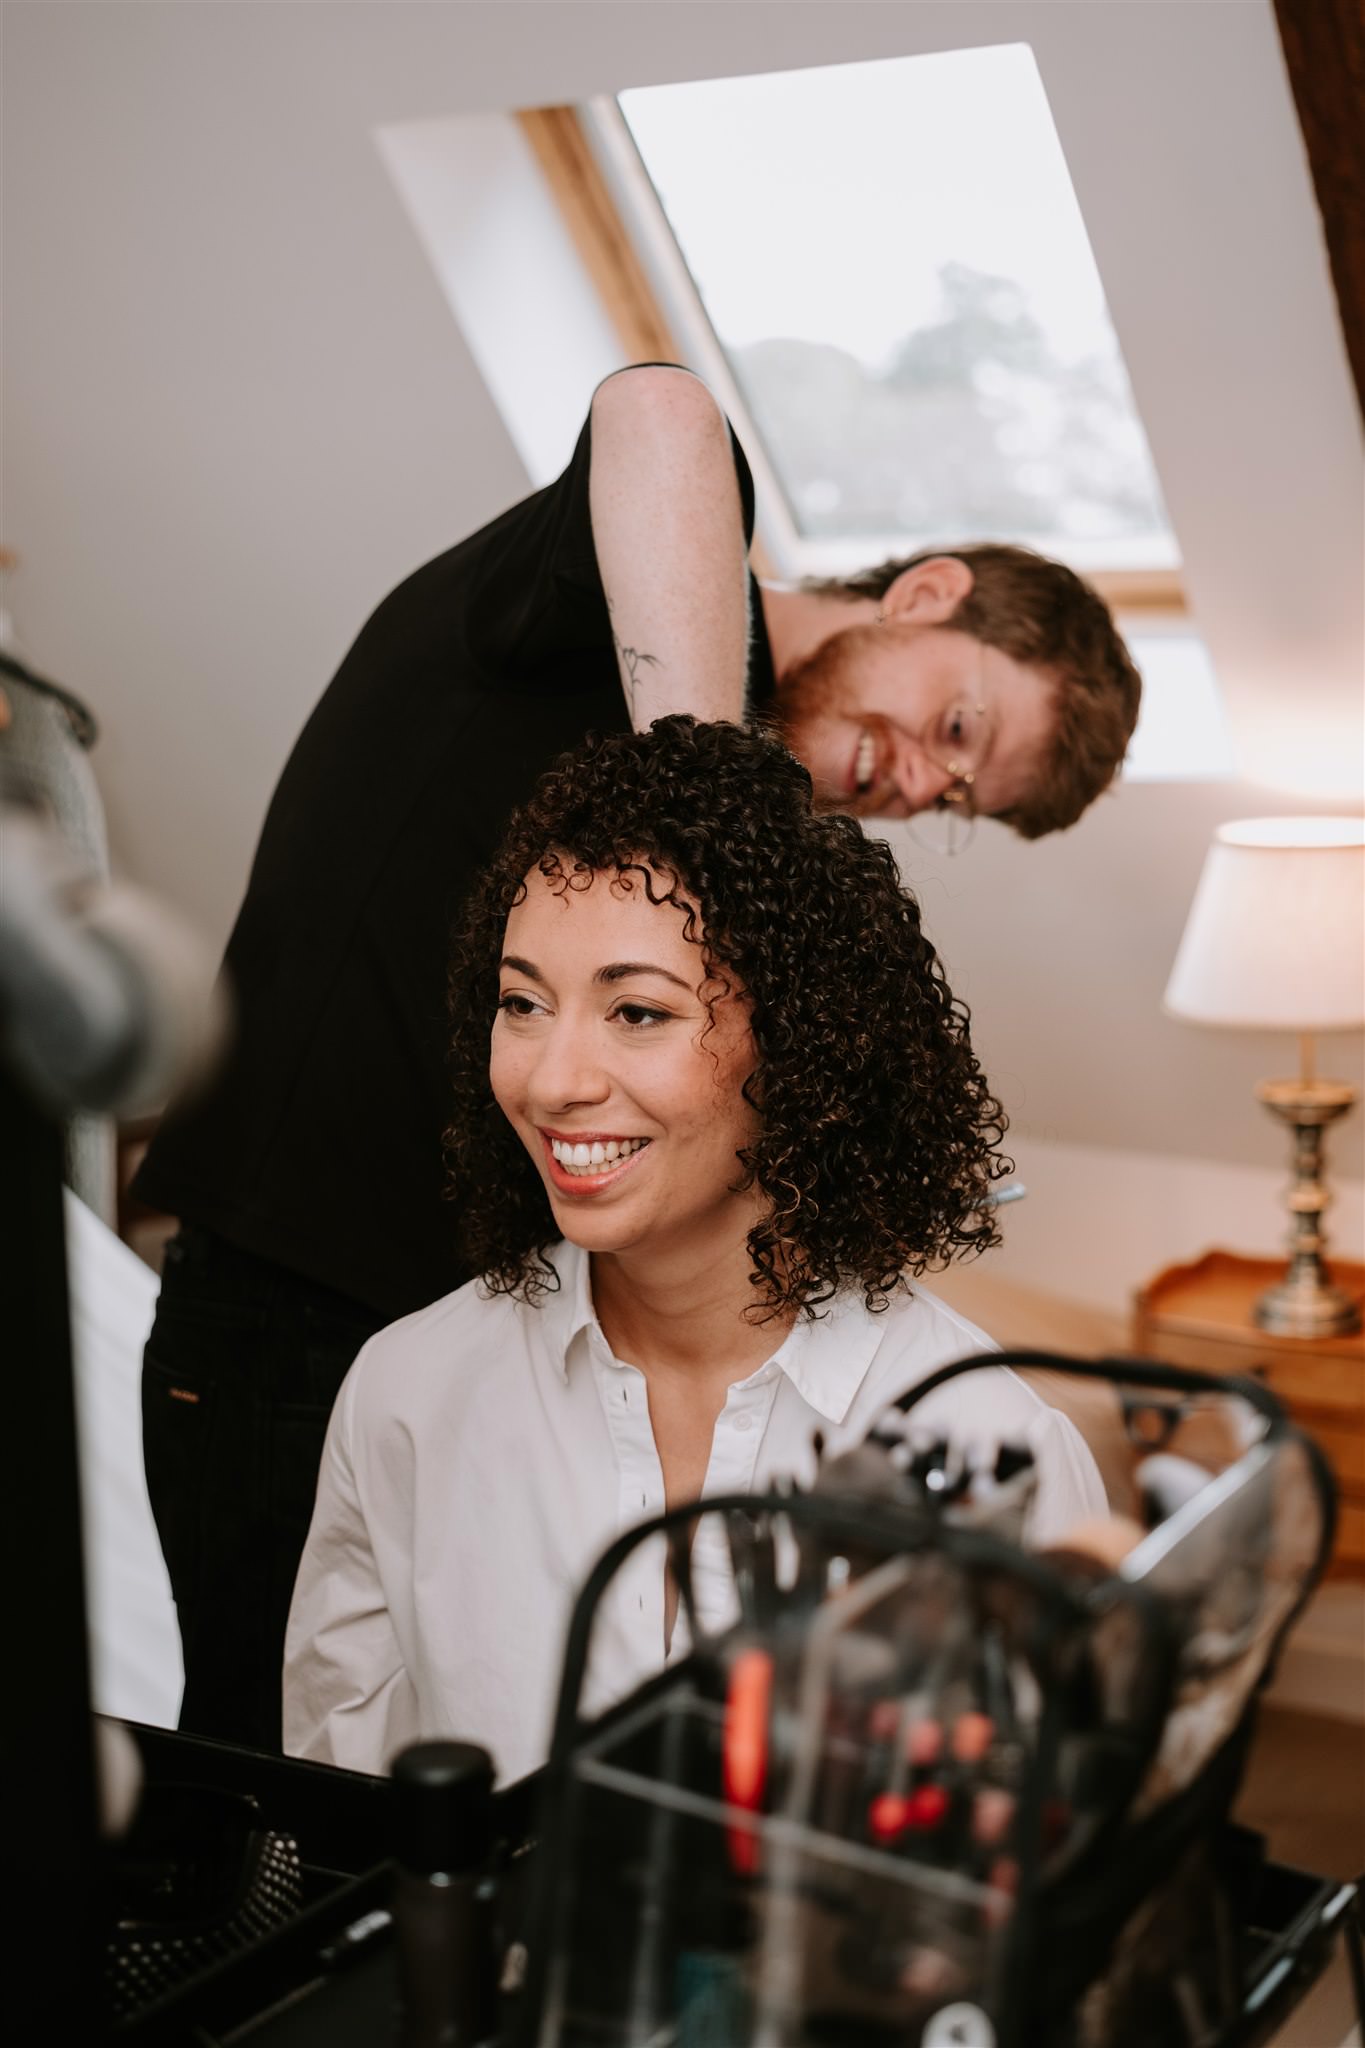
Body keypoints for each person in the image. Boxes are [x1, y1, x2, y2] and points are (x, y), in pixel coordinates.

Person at [135, 365, 1137, 1750]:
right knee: (255, 1806)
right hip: (295, 1294)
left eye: (957, 795)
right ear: (925, 594)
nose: (918, 782)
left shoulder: (958, 1416)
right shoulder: (612, 605)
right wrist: (699, 791)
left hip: (508, 1296)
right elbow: (659, 409)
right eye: (958, 727)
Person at [283, 717, 1106, 1783]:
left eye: (636, 1010)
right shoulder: (408, 1393)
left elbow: (1056, 1856)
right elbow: (344, 1808)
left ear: (803, 1042)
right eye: (522, 1002)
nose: (551, 1078)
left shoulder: (985, 1444)